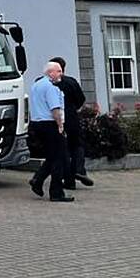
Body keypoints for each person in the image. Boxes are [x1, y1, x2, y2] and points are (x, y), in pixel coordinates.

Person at [28, 61, 73, 202]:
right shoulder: (51, 87)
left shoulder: (36, 85)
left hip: (36, 124)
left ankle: (38, 180)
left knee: (52, 156)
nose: (61, 74)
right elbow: (55, 109)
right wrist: (60, 126)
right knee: (59, 158)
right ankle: (56, 192)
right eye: (58, 71)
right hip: (49, 124)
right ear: (50, 72)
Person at [49, 56, 94, 189]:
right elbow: (80, 99)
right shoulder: (71, 82)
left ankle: (69, 180)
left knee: (63, 150)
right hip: (71, 117)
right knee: (77, 145)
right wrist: (73, 108)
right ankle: (79, 170)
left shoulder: (49, 84)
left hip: (55, 119)